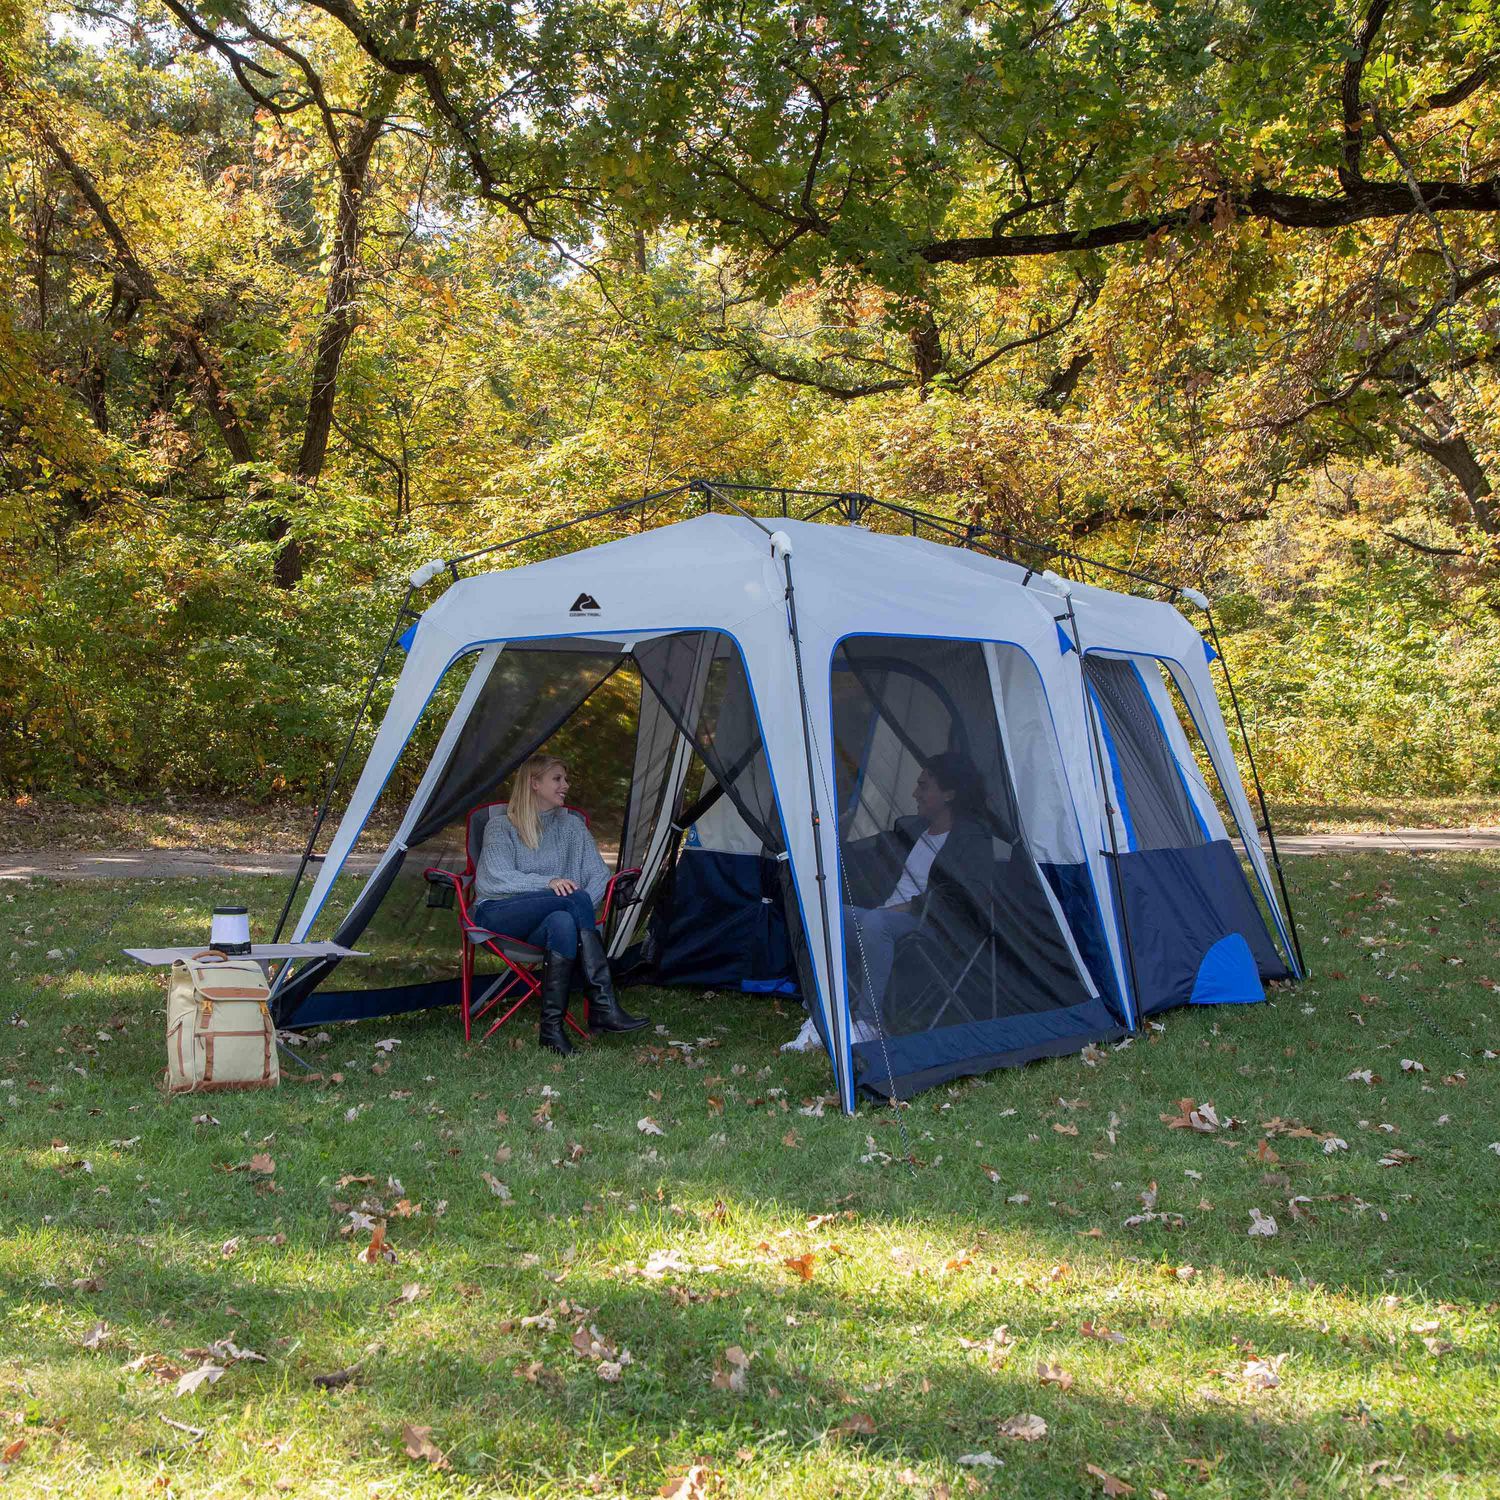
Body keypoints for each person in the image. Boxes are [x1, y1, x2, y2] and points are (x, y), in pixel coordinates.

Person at [782, 751, 992, 1053]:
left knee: (876, 921)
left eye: (924, 786)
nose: (914, 793)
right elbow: (873, 856)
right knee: (824, 915)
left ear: (949, 793)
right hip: (884, 920)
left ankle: (869, 1024)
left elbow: (966, 894)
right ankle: (824, 1015)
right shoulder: (912, 829)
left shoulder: (970, 839)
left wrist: (911, 907)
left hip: (933, 926)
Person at [470, 754, 648, 1054]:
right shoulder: (501, 826)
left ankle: (551, 1031)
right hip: (499, 912)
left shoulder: (572, 828)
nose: (566, 785)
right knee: (573, 899)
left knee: (564, 920)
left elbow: (599, 877)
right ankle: (603, 1004)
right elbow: (494, 879)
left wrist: (577, 913)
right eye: (558, 779)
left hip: (550, 918)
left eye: (566, 779)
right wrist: (549, 882)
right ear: (534, 783)